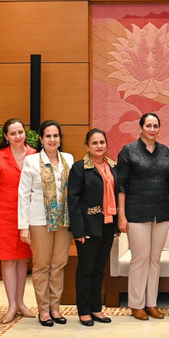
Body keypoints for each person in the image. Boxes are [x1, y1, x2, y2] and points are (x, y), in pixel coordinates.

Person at [117, 112, 169, 321]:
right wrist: (121, 215)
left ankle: (151, 303)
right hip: (136, 211)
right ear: (140, 128)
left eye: (155, 125)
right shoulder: (128, 151)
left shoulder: (165, 151)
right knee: (140, 259)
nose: (152, 129)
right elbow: (121, 185)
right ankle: (136, 304)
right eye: (148, 125)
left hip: (161, 211)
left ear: (159, 129)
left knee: (154, 259)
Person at [18, 120, 74, 327]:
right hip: (39, 221)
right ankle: (43, 310)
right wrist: (23, 226)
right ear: (41, 139)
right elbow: (23, 195)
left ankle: (55, 308)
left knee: (59, 265)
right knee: (42, 266)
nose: (53, 140)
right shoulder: (31, 161)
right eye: (48, 136)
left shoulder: (68, 158)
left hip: (64, 221)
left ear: (60, 139)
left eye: (56, 136)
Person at [68, 129, 118, 327]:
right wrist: (78, 231)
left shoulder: (113, 166)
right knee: (85, 269)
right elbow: (73, 201)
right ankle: (84, 311)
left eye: (102, 142)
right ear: (87, 146)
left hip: (107, 225)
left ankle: (97, 309)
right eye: (94, 143)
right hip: (88, 227)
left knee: (99, 269)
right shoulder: (79, 168)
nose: (99, 146)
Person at [0, 118, 36, 323]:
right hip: (4, 216)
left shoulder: (34, 155)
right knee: (8, 260)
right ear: (6, 136)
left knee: (23, 259)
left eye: (20, 132)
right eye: (13, 133)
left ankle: (21, 302)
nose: (18, 136)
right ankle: (12, 305)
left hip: (28, 216)